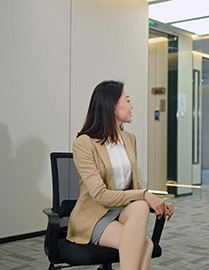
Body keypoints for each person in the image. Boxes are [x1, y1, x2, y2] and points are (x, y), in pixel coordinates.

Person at [67, 80, 173, 270]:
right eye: (127, 100)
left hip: (122, 210)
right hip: (94, 216)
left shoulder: (129, 139)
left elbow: (134, 185)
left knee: (141, 206)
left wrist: (153, 198)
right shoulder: (84, 143)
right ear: (112, 106)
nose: (132, 105)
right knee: (146, 245)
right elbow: (99, 195)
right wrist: (144, 195)